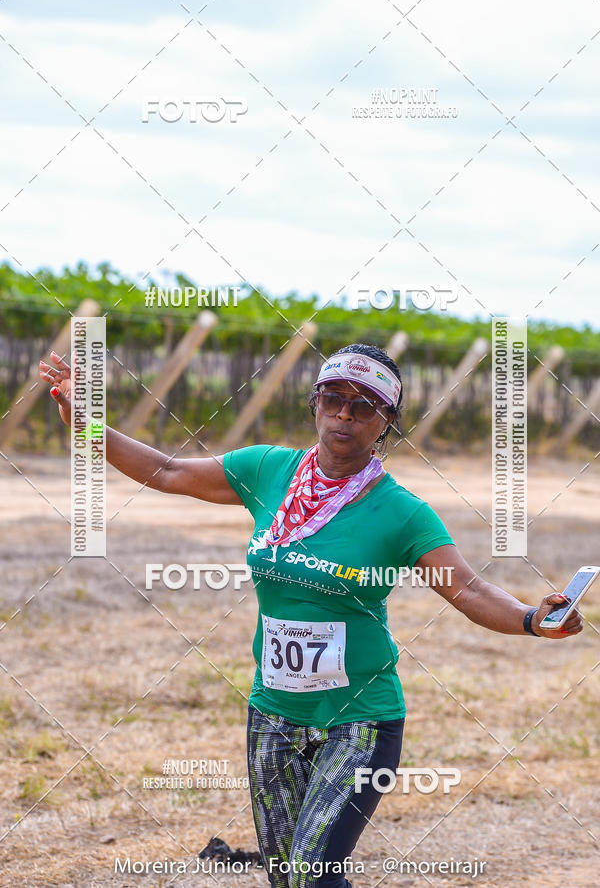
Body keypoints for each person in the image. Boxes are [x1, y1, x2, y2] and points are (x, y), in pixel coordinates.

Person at [40, 343, 582, 888]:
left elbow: (465, 589)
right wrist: (88, 427)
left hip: (360, 721)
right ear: (315, 403)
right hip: (273, 714)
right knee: (288, 881)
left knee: (312, 876)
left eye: (365, 406)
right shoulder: (266, 471)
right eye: (334, 398)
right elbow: (165, 470)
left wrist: (532, 617)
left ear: (386, 423)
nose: (345, 413)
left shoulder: (400, 512)